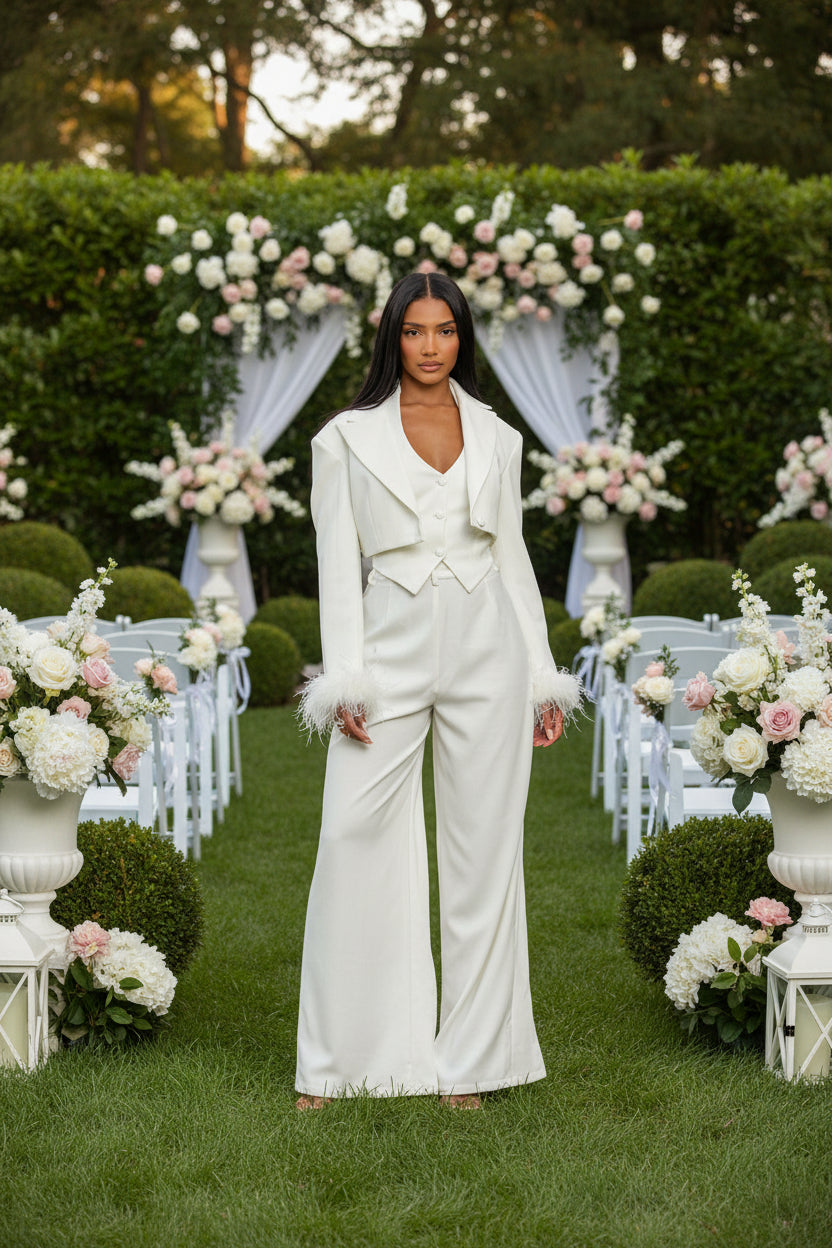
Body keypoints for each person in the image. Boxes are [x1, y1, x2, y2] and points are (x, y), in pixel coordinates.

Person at [295, 271, 581, 1109]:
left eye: (445, 330)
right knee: (353, 837)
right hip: (388, 648)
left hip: (487, 644)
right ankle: (341, 1064)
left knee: (484, 855)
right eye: (415, 331)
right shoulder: (345, 439)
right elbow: (336, 564)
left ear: (462, 336)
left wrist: (540, 674)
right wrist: (344, 670)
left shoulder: (497, 433)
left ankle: (471, 1065)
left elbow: (514, 557)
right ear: (392, 336)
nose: (430, 347)